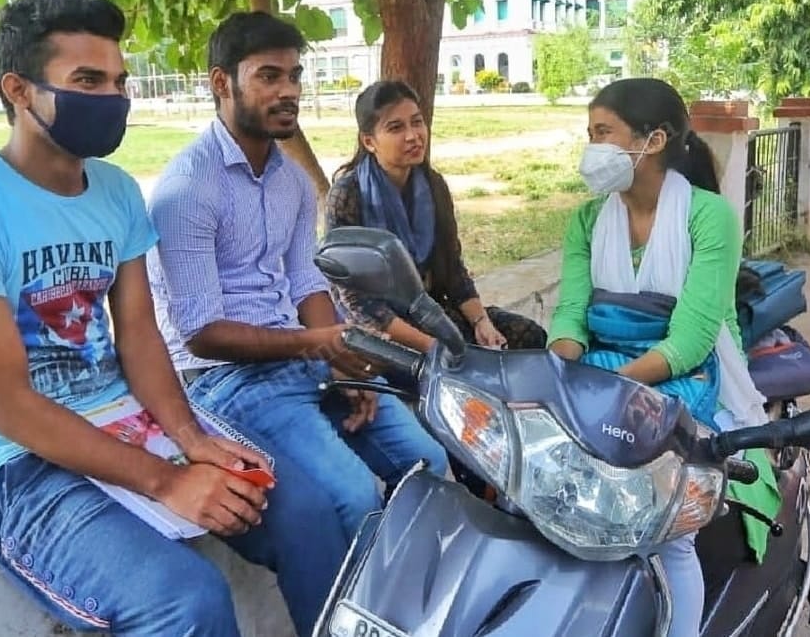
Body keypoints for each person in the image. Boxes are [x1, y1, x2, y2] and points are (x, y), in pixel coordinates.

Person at [0, 0, 347, 636]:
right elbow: (8, 405)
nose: (112, 98)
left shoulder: (113, 192)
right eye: (87, 80)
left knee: (305, 511)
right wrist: (166, 481)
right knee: (184, 600)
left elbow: (138, 334)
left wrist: (193, 439)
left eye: (118, 81)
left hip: (126, 418)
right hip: (13, 462)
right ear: (19, 91)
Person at [145, 12, 449, 540]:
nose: (289, 91)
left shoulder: (289, 181)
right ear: (222, 84)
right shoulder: (187, 188)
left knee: (429, 461)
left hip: (297, 360)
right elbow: (201, 333)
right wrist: (317, 345)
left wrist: (342, 361)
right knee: (352, 498)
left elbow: (306, 284)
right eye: (269, 76)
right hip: (222, 380)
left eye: (295, 75)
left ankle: (422, 603)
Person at [547, 78, 782, 637]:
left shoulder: (708, 216)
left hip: (684, 378)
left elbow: (691, 341)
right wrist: (559, 366)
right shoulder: (586, 219)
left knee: (668, 531)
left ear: (652, 140)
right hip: (603, 373)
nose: (593, 147)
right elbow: (571, 315)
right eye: (590, 134)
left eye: (603, 133)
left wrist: (606, 389)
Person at [325, 80, 548, 353]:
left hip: (430, 313)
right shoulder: (348, 194)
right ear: (369, 141)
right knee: (456, 361)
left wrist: (482, 322)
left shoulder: (433, 186)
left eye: (417, 122)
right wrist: (435, 347)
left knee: (528, 336)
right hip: (379, 328)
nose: (412, 135)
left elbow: (453, 269)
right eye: (396, 128)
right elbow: (355, 301)